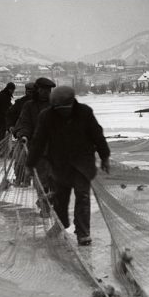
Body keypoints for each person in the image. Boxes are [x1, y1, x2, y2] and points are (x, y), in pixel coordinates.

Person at [25, 86, 110, 246]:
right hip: (59, 164)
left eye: (64, 108)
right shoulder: (47, 116)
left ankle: (83, 233)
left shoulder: (84, 112)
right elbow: (38, 141)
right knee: (60, 199)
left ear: (71, 103)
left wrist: (104, 156)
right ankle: (62, 224)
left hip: (82, 164)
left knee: (82, 197)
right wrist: (30, 163)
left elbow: (97, 135)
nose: (61, 112)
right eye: (58, 108)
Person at [15, 77, 56, 207]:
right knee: (41, 181)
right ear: (37, 90)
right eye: (43, 90)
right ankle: (44, 207)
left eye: (48, 90)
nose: (46, 93)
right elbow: (24, 123)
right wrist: (24, 135)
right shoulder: (29, 106)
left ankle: (52, 206)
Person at [0, 82, 15, 156]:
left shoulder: (4, 94)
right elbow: (5, 109)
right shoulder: (4, 96)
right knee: (1, 136)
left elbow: (8, 106)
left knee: (1, 136)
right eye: (13, 90)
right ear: (10, 89)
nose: (13, 92)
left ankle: (0, 152)